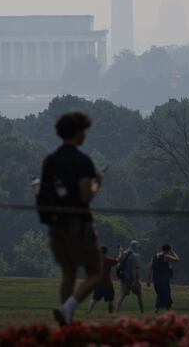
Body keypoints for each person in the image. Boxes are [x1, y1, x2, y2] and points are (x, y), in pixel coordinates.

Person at [39, 111, 105, 326]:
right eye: (84, 130)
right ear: (78, 133)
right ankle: (68, 308)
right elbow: (85, 195)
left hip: (56, 225)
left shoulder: (50, 161)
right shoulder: (82, 161)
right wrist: (98, 181)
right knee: (96, 272)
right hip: (79, 224)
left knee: (68, 273)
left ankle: (65, 324)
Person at [146, 244, 179, 313]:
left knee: (160, 294)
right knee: (166, 293)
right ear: (168, 250)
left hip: (156, 279)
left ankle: (158, 309)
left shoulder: (155, 256)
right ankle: (168, 309)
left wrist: (148, 279)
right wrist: (172, 252)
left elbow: (150, 268)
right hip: (164, 279)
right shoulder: (166, 256)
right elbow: (177, 259)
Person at [87, 246, 118, 314]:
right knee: (110, 301)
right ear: (106, 252)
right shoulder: (109, 260)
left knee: (94, 299)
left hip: (98, 283)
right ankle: (110, 314)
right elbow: (117, 260)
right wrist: (121, 253)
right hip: (108, 284)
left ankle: (88, 311)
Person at [115, 240, 144, 313]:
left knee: (121, 296)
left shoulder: (123, 253)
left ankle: (116, 312)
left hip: (124, 278)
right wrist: (134, 280)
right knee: (139, 295)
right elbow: (134, 269)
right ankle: (142, 311)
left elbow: (118, 263)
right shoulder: (136, 256)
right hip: (132, 279)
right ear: (135, 246)